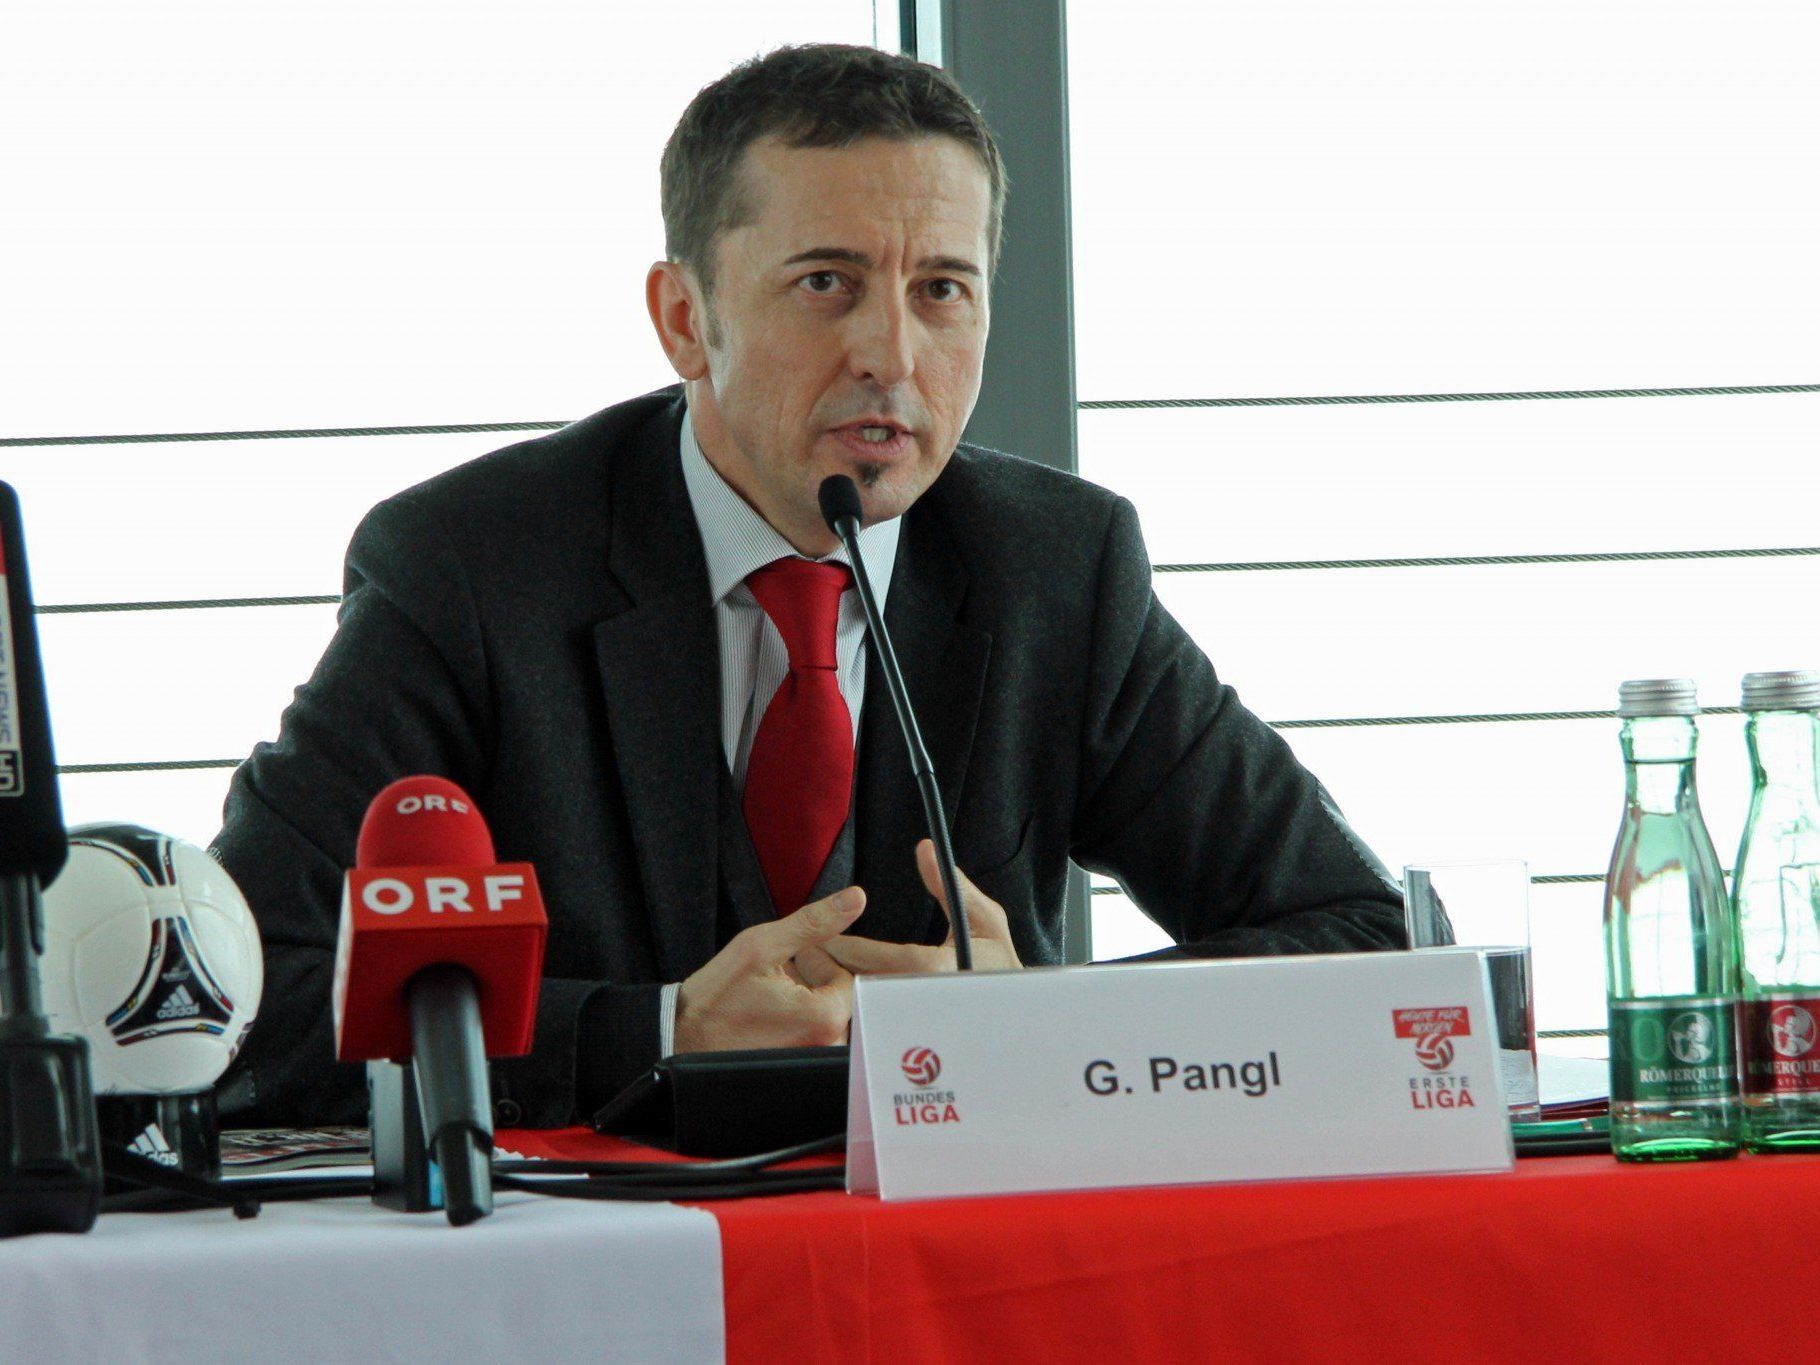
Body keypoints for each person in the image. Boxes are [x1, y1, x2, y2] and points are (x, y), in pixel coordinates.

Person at [212, 43, 1406, 1129]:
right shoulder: (472, 566)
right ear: (685, 320)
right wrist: (661, 1030)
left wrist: (1040, 1023)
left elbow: (1373, 942)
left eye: (940, 289)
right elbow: (240, 995)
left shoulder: (1056, 569)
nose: (890, 354)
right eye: (826, 283)